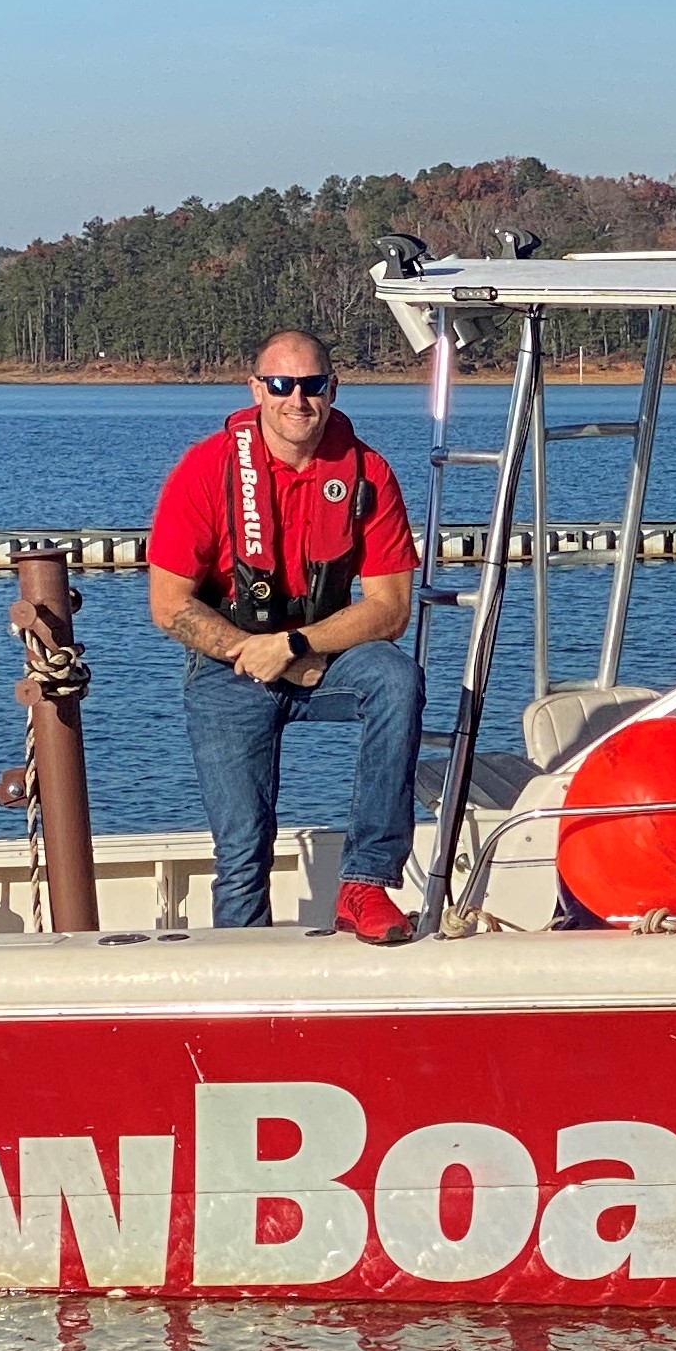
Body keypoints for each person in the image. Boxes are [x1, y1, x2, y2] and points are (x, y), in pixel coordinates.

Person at [146, 330, 426, 944]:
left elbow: (391, 609)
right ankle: (244, 977)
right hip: (229, 661)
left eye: (311, 385)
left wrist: (298, 647)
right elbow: (169, 607)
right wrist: (256, 654)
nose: (296, 399)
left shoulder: (368, 473)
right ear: (256, 389)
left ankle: (366, 883)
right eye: (281, 385)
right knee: (242, 852)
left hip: (321, 653)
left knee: (396, 679)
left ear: (333, 388)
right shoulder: (206, 469)